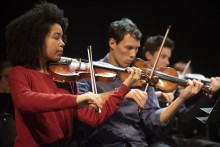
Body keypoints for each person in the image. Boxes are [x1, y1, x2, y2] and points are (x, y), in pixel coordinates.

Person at [5, 2, 145, 147]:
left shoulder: (65, 77)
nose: (62, 43)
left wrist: (124, 87)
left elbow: (94, 118)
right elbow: (25, 101)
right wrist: (76, 99)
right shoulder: (20, 73)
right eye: (56, 37)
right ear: (37, 39)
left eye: (62, 37)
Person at [76, 17, 204, 147]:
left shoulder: (141, 75)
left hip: (136, 142)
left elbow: (153, 120)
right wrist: (121, 92)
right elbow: (81, 105)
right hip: (103, 142)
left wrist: (181, 99)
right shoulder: (90, 71)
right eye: (128, 48)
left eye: (136, 49)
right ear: (112, 43)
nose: (133, 54)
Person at [142, 35, 220, 146]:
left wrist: (209, 94)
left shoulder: (171, 85)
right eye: (163, 57)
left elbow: (185, 120)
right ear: (148, 55)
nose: (167, 62)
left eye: (168, 58)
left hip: (175, 138)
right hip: (156, 141)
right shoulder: (142, 83)